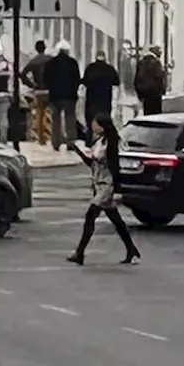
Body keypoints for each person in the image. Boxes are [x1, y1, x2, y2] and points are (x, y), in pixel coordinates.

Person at [66, 113, 140, 266]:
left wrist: (117, 188)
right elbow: (91, 163)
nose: (93, 127)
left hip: (107, 185)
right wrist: (78, 151)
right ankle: (131, 249)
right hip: (98, 184)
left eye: (95, 124)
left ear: (102, 125)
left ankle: (80, 253)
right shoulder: (99, 142)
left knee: (90, 215)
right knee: (116, 220)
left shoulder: (111, 143)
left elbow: (115, 167)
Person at [44, 40, 81, 151]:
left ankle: (56, 143)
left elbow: (45, 78)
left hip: (55, 96)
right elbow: (77, 79)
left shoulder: (51, 63)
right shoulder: (73, 63)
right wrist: (74, 91)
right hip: (70, 96)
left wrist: (51, 88)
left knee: (56, 120)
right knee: (70, 119)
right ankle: (71, 142)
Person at [21, 40, 50, 144]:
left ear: (36, 49)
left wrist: (31, 84)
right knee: (53, 114)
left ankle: (41, 137)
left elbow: (23, 74)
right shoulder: (50, 60)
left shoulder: (33, 61)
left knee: (40, 113)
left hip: (38, 91)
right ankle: (54, 136)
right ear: (45, 48)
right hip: (50, 90)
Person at [82, 49, 120, 126]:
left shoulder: (90, 68)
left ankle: (90, 136)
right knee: (104, 122)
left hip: (92, 101)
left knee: (91, 122)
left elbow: (85, 82)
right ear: (105, 58)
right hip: (105, 101)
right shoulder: (109, 69)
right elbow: (116, 82)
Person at [134, 48, 166, 116]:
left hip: (145, 94)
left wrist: (139, 94)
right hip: (155, 94)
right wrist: (162, 90)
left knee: (147, 114)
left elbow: (137, 79)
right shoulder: (157, 62)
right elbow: (160, 78)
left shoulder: (141, 62)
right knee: (156, 115)